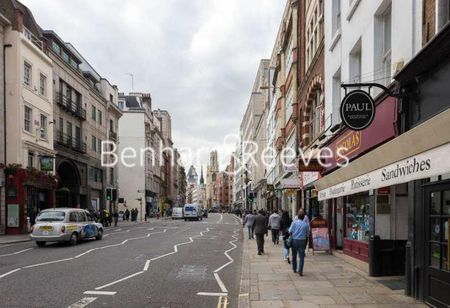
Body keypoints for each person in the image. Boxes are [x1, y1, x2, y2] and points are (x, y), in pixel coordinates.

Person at [289, 209, 310, 276]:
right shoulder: (306, 225)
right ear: (304, 217)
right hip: (302, 241)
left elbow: (290, 231)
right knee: (301, 257)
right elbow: (307, 235)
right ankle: (300, 270)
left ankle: (294, 269)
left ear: (297, 216)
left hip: (294, 240)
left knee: (294, 255)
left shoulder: (294, 223)